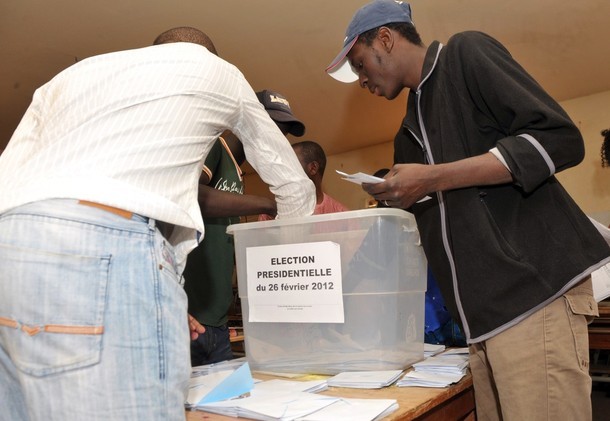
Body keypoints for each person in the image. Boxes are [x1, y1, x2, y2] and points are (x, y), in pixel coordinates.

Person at [0, 26, 315, 420]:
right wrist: (292, 271)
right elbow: (293, 186)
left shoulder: (70, 77)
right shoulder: (220, 73)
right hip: (111, 238)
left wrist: (154, 287)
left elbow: (8, 175)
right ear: (210, 57)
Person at [326, 1, 610, 420]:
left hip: (531, 300)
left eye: (360, 63)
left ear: (385, 38)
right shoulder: (408, 134)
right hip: (481, 326)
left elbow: (560, 138)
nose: (361, 79)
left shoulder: (464, 55)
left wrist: (432, 178)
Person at [184, 88, 307, 367]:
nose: (278, 142)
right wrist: (267, 204)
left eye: (283, 135)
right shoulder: (213, 145)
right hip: (190, 319)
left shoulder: (237, 172)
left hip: (217, 323)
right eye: (273, 129)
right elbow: (193, 195)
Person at [260, 140, 349, 220]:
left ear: (313, 168)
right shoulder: (270, 215)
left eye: (291, 164)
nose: (284, 171)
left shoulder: (342, 216)